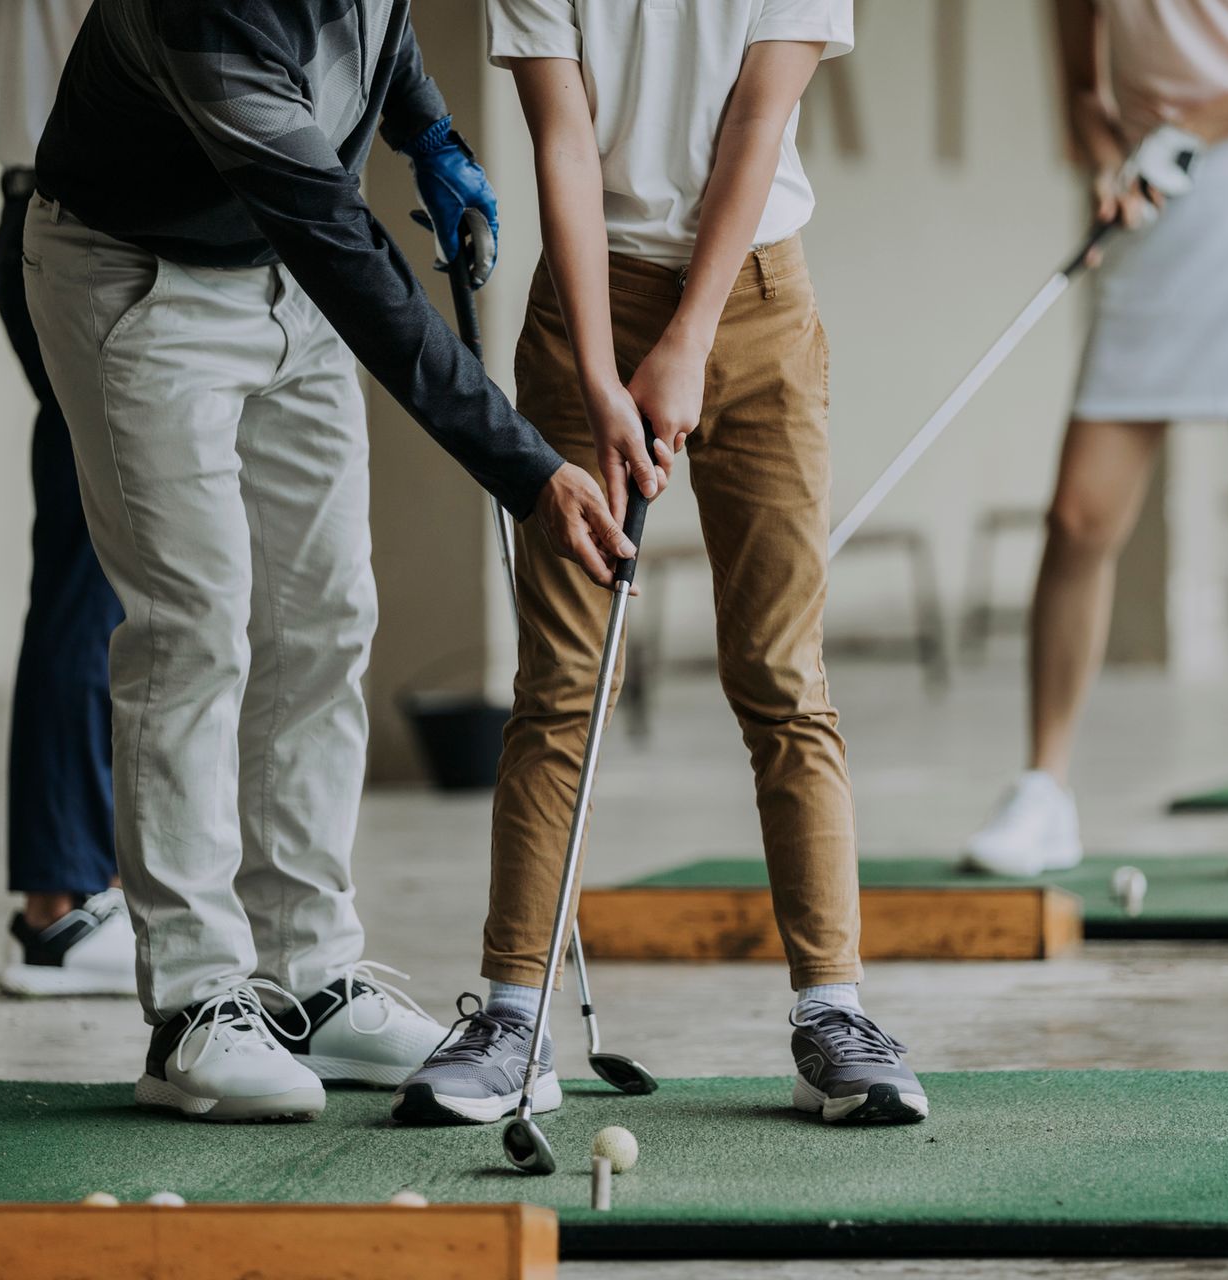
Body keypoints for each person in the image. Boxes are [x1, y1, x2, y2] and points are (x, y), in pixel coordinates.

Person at [24, 0, 629, 1123]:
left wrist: (429, 132)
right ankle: (195, 1005)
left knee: (328, 616)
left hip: (283, 274)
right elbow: (344, 251)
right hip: (140, 277)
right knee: (194, 624)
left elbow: (373, 27)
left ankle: (309, 973)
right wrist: (530, 471)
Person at [393, 0, 928, 1130]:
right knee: (563, 688)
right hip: (588, 305)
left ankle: (834, 1011)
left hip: (760, 311)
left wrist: (685, 342)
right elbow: (565, 141)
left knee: (782, 676)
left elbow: (756, 122)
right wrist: (600, 372)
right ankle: (511, 1014)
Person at [964, 0, 1228, 878]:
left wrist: (1194, 127)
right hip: (1160, 209)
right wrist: (1107, 158)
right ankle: (1044, 791)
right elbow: (1082, 88)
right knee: (1079, 517)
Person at [0, 0, 134, 1000]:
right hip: (92, 224)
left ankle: (76, 883)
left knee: (98, 549)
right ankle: (63, 900)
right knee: (96, 557)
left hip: (49, 211)